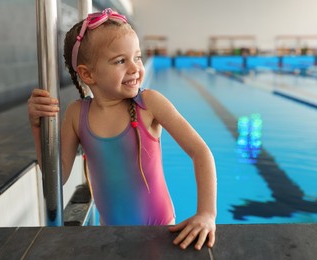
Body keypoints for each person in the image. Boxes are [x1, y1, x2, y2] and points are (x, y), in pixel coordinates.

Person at [28, 8, 216, 250]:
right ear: (87, 73)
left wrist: (206, 214)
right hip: (111, 235)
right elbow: (58, 176)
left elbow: (200, 152)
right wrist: (38, 128)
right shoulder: (78, 114)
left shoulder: (149, 104)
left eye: (137, 57)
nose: (135, 68)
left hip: (162, 230)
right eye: (120, 60)